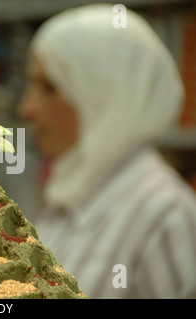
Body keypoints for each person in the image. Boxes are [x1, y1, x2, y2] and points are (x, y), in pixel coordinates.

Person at [18, 4, 196, 298]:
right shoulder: (69, 193)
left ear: (105, 93)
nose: (27, 108)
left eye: (49, 88)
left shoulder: (165, 214)